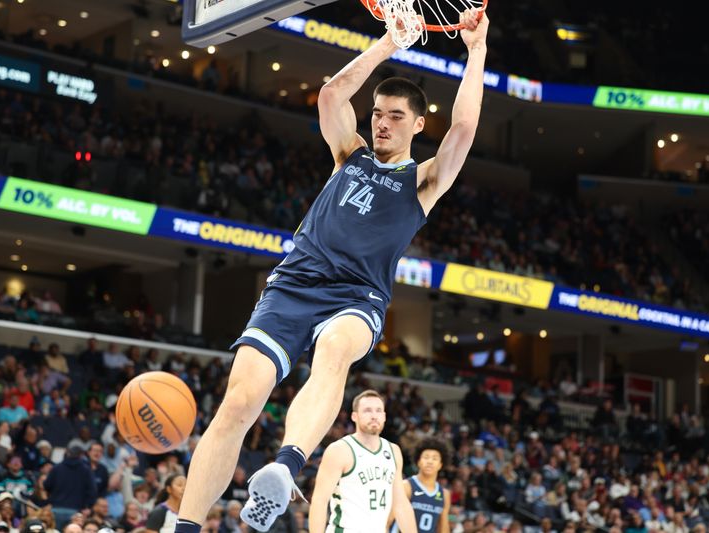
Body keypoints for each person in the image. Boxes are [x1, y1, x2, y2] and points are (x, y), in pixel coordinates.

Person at [174, 8, 489, 533]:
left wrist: (476, 52)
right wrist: (388, 44)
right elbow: (330, 97)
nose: (381, 121)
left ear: (416, 124)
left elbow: (463, 128)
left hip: (356, 296)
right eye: (378, 113)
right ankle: (183, 527)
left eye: (393, 115)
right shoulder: (350, 154)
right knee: (237, 403)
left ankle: (284, 466)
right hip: (294, 283)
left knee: (334, 354)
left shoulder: (423, 181)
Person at [307, 390, 415, 533]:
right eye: (367, 411)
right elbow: (319, 501)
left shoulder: (393, 451)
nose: (374, 415)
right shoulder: (340, 450)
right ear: (354, 416)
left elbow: (400, 504)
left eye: (378, 411)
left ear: (384, 416)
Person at [390, 438, 451, 533]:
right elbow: (388, 520)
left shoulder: (444, 494)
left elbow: (443, 527)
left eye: (435, 458)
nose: (430, 461)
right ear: (418, 461)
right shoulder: (407, 486)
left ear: (440, 465)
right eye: (426, 457)